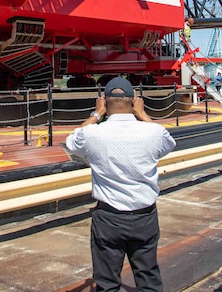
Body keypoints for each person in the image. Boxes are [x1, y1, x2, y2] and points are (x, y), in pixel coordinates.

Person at [65, 77, 176, 292]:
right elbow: (167, 140)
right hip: (145, 216)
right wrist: (142, 114)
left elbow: (71, 140)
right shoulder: (153, 132)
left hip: (109, 218)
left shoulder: (92, 134)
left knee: (107, 283)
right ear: (134, 101)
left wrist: (97, 114)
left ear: (104, 102)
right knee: (149, 278)